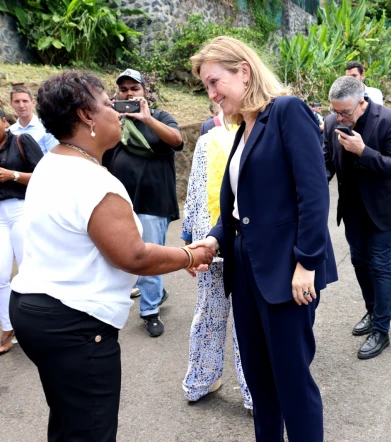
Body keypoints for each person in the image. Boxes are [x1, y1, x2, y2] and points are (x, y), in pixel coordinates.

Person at [9, 70, 215, 441]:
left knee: (69, 421)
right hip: (74, 323)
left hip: (35, 310)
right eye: (107, 103)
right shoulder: (92, 181)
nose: (117, 111)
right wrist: (188, 255)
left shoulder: (51, 163)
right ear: (86, 115)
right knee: (90, 430)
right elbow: (133, 256)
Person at [188, 36, 337, 442]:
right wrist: (213, 241)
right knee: (258, 379)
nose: (213, 93)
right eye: (207, 86)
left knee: (292, 381)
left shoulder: (286, 111)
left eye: (215, 82)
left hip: (287, 269)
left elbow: (313, 192)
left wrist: (307, 262)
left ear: (245, 71)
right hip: (246, 267)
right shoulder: (243, 130)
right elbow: (239, 210)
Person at [323, 75, 391, 360]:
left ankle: (381, 331)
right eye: (335, 111)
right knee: (359, 261)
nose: (339, 118)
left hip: (382, 209)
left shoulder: (390, 120)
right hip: (352, 210)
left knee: (381, 265)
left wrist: (363, 151)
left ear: (361, 103)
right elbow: (326, 165)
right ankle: (373, 312)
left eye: (345, 112)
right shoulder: (332, 122)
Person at [103, 68, 184, 337]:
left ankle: (149, 311)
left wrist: (147, 119)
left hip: (153, 199)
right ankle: (155, 293)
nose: (129, 93)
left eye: (134, 89)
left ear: (144, 92)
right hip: (119, 202)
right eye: (123, 89)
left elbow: (177, 140)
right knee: (121, 256)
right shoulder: (113, 122)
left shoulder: (160, 117)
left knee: (148, 257)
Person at [181, 119, 252, 412]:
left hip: (214, 238)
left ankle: (201, 380)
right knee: (242, 319)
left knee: (212, 313)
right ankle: (252, 392)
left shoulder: (213, 139)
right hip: (224, 240)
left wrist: (189, 235)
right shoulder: (247, 135)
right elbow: (196, 189)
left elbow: (194, 193)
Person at [0, 107, 43, 356]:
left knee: (28, 269)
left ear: (5, 121)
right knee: (1, 274)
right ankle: (8, 327)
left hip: (21, 209)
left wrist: (12, 175)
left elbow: (43, 175)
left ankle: (35, 327)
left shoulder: (21, 140)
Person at [9, 85, 59, 154]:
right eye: (17, 101)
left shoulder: (46, 128)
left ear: (33, 103)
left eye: (25, 101)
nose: (21, 105)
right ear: (11, 104)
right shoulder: (10, 131)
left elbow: (55, 155)